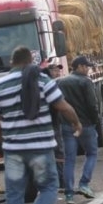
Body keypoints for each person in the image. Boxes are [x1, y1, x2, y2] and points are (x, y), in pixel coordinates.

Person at [0, 46, 81, 204]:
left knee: (14, 196)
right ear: (31, 61)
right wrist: (76, 124)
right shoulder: (43, 81)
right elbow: (63, 107)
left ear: (12, 62)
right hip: (41, 148)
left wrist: (3, 139)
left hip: (14, 151)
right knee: (48, 186)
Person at [56, 56, 100, 204]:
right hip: (85, 124)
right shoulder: (85, 82)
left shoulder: (60, 82)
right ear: (79, 66)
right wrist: (96, 121)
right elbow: (92, 104)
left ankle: (69, 194)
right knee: (92, 153)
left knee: (69, 159)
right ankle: (84, 184)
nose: (88, 69)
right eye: (86, 66)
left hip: (66, 125)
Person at [42, 58, 64, 189]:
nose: (57, 72)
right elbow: (60, 105)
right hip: (52, 123)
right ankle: (60, 181)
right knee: (58, 152)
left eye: (58, 70)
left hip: (46, 124)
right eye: (54, 70)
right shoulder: (47, 84)